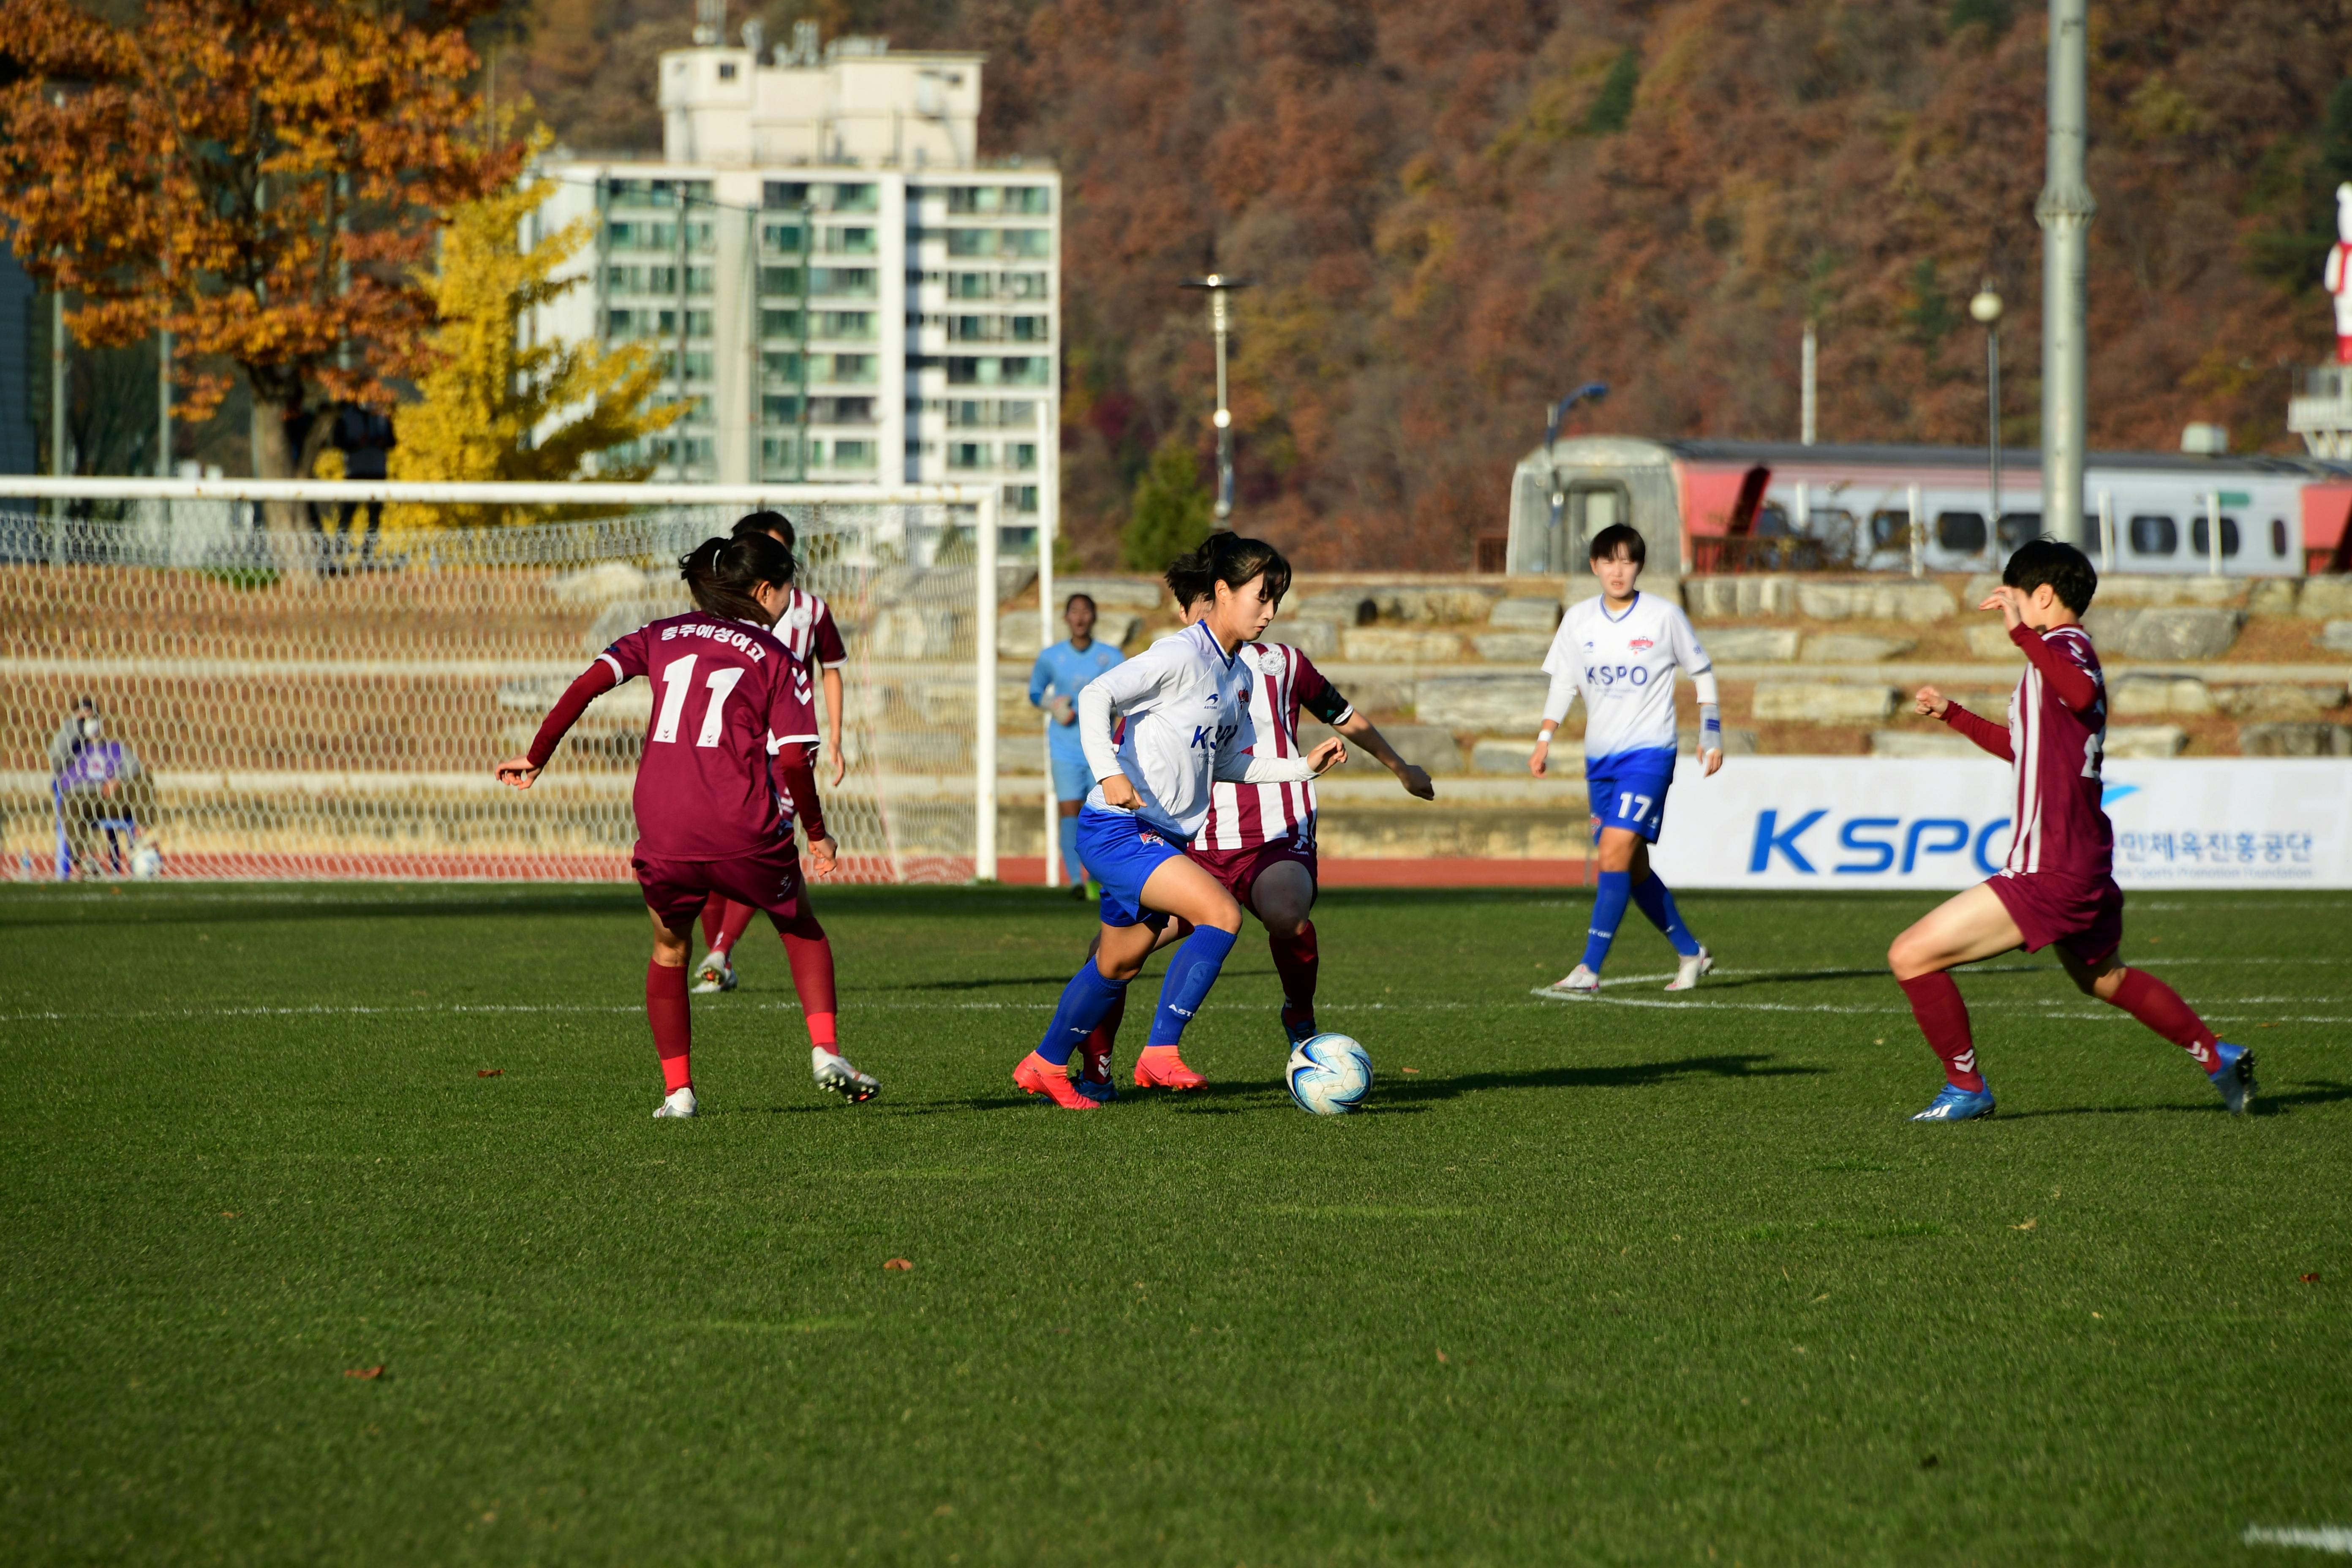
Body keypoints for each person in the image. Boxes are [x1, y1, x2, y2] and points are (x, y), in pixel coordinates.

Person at [495, 532, 882, 1117]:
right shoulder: (776, 658)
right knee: (801, 927)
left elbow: (585, 685)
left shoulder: (661, 634)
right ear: (763, 590)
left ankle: (678, 1094)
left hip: (664, 828)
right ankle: (826, 1053)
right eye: (787, 592)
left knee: (669, 950)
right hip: (742, 826)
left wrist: (537, 756)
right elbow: (796, 759)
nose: (789, 604)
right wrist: (817, 832)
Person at [1892, 539, 2254, 1121]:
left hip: (2051, 866)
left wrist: (2021, 633)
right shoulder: (2052, 657)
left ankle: (1967, 1089)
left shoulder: (2065, 647)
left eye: (2013, 598)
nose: (2008, 610)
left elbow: (2080, 690)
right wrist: (1954, 714)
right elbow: (2024, 748)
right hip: (2079, 857)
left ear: (2041, 595)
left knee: (1911, 955)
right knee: (2104, 979)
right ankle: (2217, 1057)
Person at [1062, 573, 1437, 1100]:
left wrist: (1400, 767)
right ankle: (1095, 1068)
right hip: (1194, 845)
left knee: (1286, 916)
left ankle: (1298, 1019)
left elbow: (1343, 715)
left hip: (1274, 832)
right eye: (1193, 611)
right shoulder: (1171, 665)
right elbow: (1120, 728)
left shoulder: (1280, 663)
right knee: (1111, 953)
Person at [1010, 534, 1345, 1109]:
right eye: (1262, 597)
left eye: (1277, 600)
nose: (1270, 612)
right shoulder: (1181, 654)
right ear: (1222, 591)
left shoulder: (1236, 676)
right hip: (1118, 827)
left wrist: (1301, 767)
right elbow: (1096, 696)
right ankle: (1160, 1052)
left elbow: (1230, 762)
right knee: (1218, 913)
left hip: (1157, 835)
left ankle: (1043, 1063)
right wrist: (1108, 771)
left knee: (1116, 962)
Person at [1530, 523, 1722, 997]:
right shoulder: (1578, 620)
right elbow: (1564, 683)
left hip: (1651, 753)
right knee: (1631, 866)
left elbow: (1702, 671)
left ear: (1639, 566)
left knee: (1613, 850)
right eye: (1609, 561)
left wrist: (1711, 733)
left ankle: (1589, 969)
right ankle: (1691, 951)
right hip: (1600, 760)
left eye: (1628, 561)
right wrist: (1545, 737)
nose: (1618, 570)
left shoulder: (1663, 616)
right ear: (1595, 565)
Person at [692, 510, 851, 994]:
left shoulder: (810, 610)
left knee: (767, 845)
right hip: (730, 748)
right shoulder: (715, 614)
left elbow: (831, 669)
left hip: (786, 746)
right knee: (716, 856)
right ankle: (718, 951)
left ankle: (719, 953)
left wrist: (837, 738)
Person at [1029, 592, 1126, 897]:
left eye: (1086, 611)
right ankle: (1075, 881)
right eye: (1075, 611)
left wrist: (1108, 710)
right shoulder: (1051, 657)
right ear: (1066, 618)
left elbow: (1125, 697)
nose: (1081, 617)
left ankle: (1100, 877)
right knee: (1070, 811)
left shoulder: (1111, 657)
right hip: (1064, 747)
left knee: (1103, 812)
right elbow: (1035, 693)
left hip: (1101, 748)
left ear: (1094, 617)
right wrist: (1053, 705)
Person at [49, 697, 152, 877]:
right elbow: (54, 755)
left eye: (92, 717)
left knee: (143, 780)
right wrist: (75, 725)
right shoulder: (70, 751)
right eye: (84, 718)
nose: (89, 722)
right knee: (69, 805)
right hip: (82, 797)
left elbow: (136, 767)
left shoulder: (114, 748)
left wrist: (118, 779)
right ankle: (85, 861)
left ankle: (141, 841)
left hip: (111, 800)